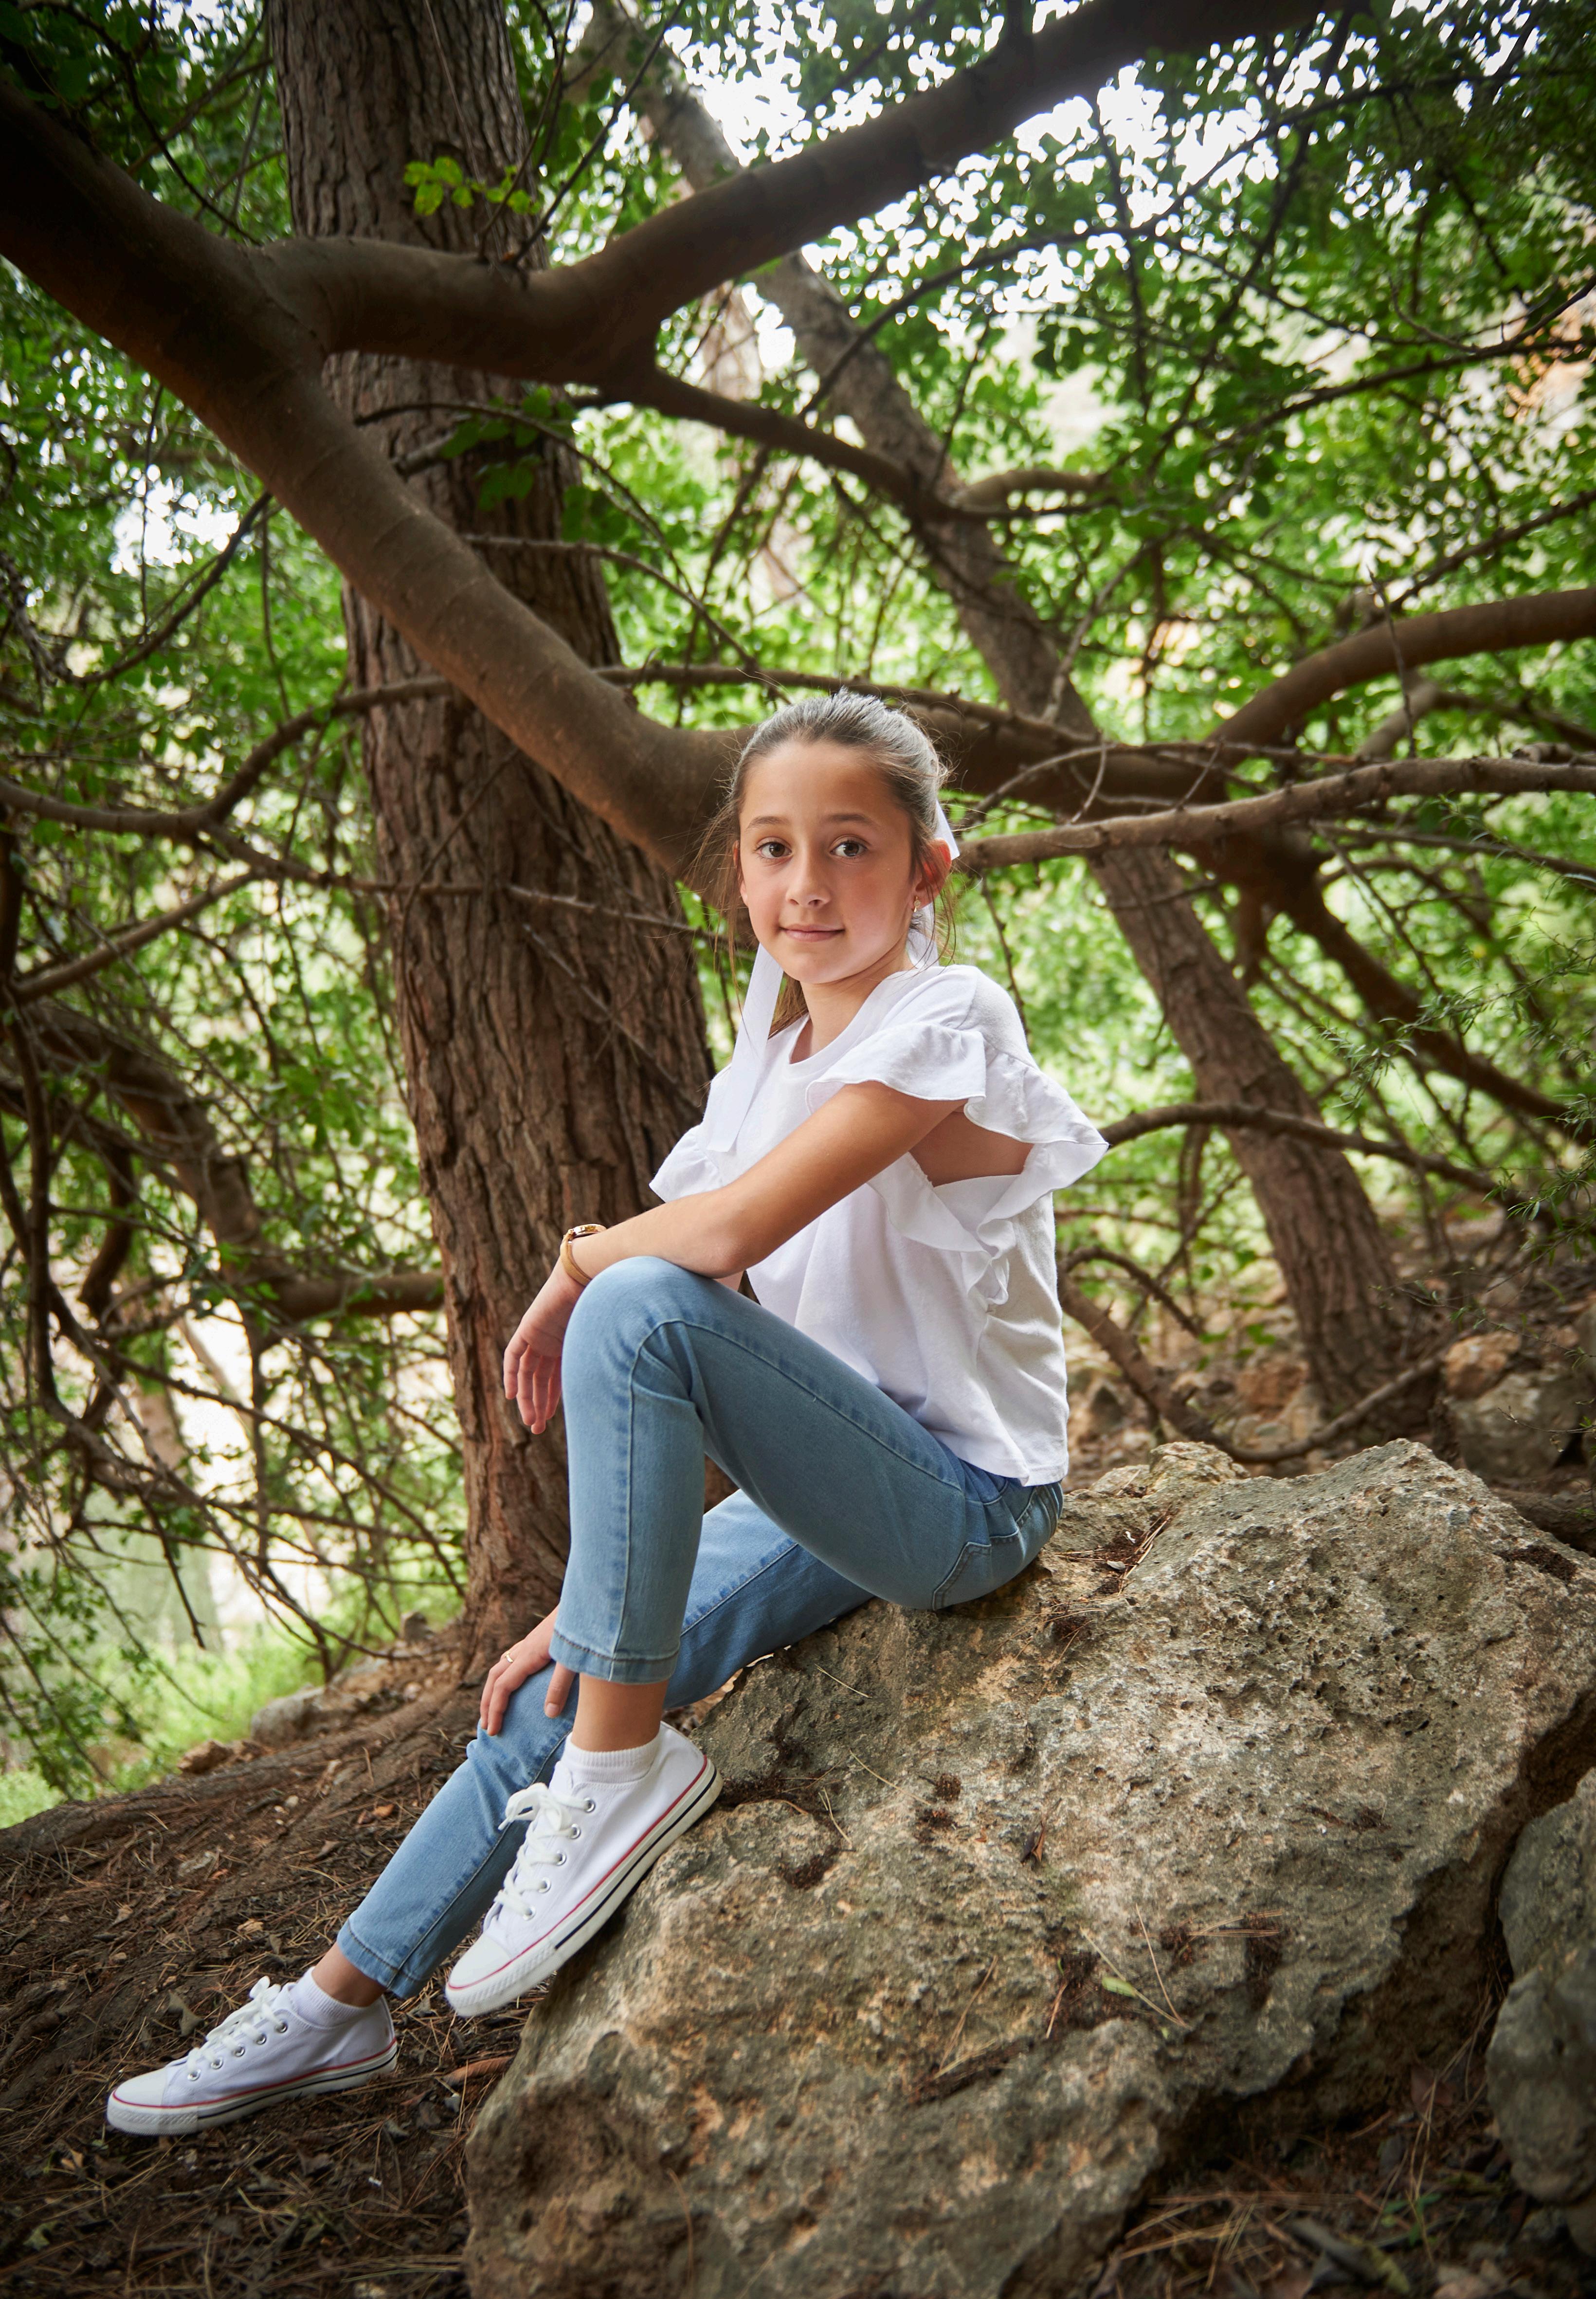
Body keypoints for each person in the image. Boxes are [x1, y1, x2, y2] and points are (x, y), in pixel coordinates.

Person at [105, 693, 1107, 2137]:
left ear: (927, 868)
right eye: (773, 848)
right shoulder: (764, 1067)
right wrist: (598, 1608)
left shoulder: (951, 1021)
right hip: (838, 1489)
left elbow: (719, 1245)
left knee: (638, 1302)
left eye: (850, 845)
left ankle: (623, 1777)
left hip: (968, 1503)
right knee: (557, 1685)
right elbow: (728, 1357)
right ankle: (335, 2005)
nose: (808, 883)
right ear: (740, 873)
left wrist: (579, 1260)